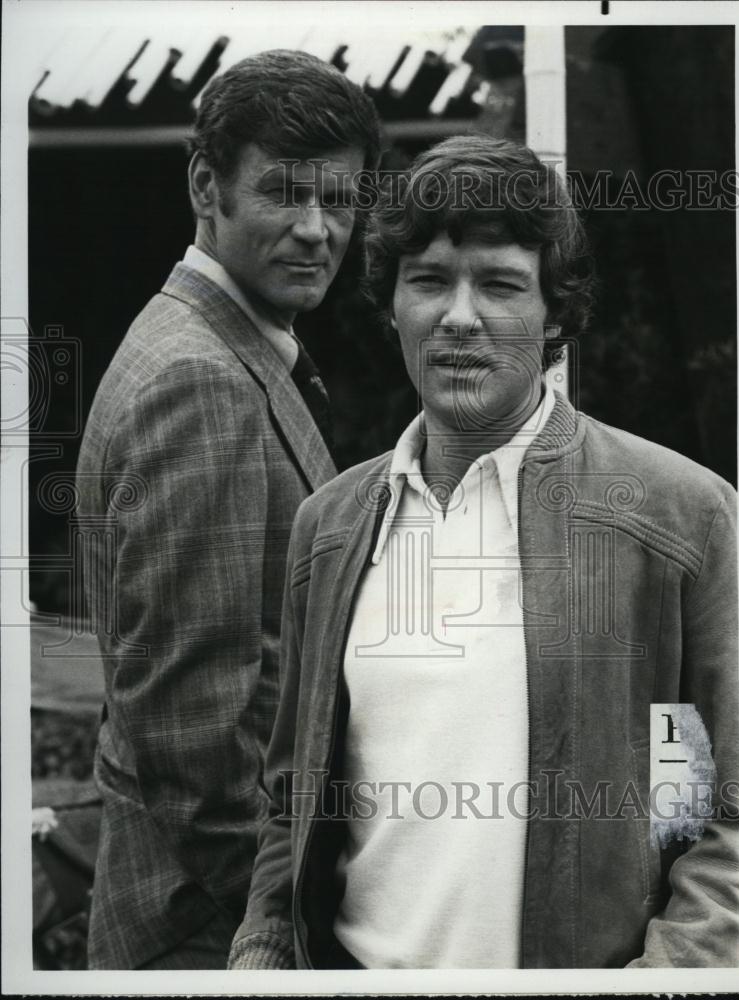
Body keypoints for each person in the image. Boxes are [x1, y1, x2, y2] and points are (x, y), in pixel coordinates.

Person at [228, 135, 739, 969]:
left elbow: (728, 818)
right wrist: (262, 949)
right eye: (428, 281)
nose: (458, 317)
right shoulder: (331, 527)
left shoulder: (681, 518)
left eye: (500, 284)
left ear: (557, 313)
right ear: (391, 303)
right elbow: (291, 803)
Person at [76, 49, 380, 969]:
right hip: (210, 930)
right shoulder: (200, 380)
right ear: (208, 186)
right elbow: (187, 734)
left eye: (339, 199)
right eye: (286, 193)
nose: (318, 229)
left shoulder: (209, 343)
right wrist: (285, 919)